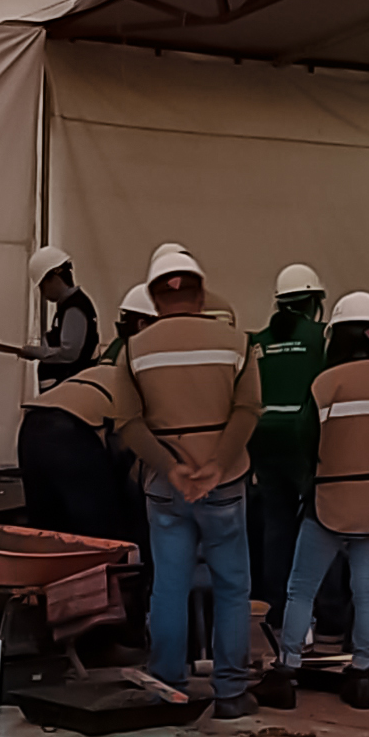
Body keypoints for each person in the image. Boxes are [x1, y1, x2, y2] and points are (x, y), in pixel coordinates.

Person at [109, 245, 257, 712]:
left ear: (154, 298)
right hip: (225, 485)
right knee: (232, 586)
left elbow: (127, 423)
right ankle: (231, 693)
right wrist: (215, 464)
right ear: (201, 293)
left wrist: (172, 467)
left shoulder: (133, 350)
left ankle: (169, 686)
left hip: (165, 489)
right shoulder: (238, 343)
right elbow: (248, 409)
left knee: (169, 585)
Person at [276, 292, 369, 693]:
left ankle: (286, 671)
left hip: (329, 503)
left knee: (301, 589)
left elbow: (304, 441)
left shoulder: (325, 384)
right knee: (367, 588)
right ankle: (362, 675)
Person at [247, 263, 327, 609]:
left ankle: (275, 604)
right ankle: (318, 606)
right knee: (318, 523)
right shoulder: (322, 337)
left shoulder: (257, 342)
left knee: (276, 522)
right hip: (302, 439)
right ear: (313, 301)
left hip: (262, 438)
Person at [15, 351, 143, 544]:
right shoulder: (145, 387)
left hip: (33, 422)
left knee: (45, 525)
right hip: (74, 430)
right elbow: (132, 457)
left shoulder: (102, 372)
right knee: (97, 531)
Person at [0, 247, 98, 391]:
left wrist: (38, 352)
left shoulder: (74, 307)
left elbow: (69, 353)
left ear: (53, 278)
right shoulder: (70, 306)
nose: (43, 294)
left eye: (42, 286)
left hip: (68, 390)